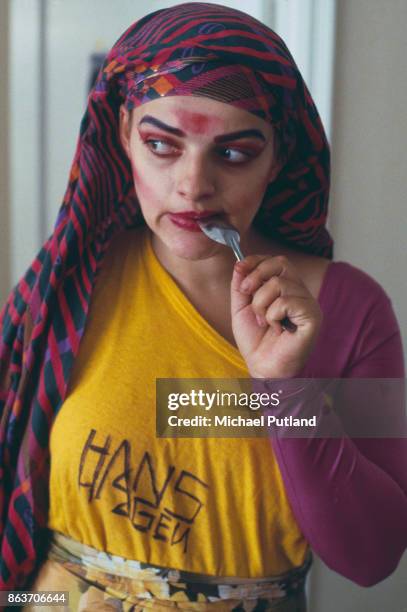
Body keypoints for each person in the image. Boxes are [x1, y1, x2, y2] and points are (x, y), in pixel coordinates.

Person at [0, 3, 406, 611]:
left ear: (277, 159)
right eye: (162, 145)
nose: (193, 185)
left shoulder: (349, 311)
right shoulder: (73, 284)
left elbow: (372, 559)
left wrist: (283, 390)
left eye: (235, 154)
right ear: (122, 137)